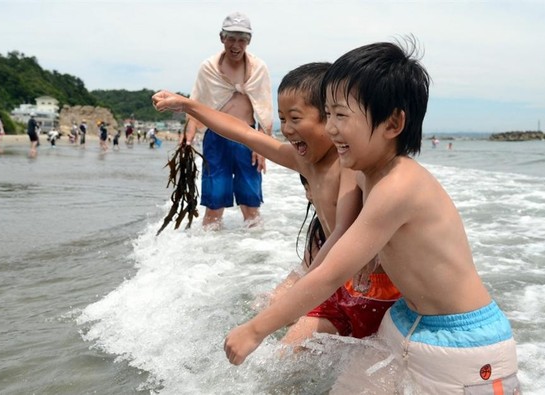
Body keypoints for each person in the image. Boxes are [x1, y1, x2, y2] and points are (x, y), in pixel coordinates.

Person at [219, 41, 520, 393]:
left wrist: (255, 330)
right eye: (327, 114)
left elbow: (330, 273)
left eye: (341, 115)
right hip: (405, 320)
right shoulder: (365, 173)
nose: (330, 128)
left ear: (393, 123)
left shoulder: (399, 185)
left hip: (465, 344)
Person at [152, 62, 399, 346]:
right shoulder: (303, 161)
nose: (287, 129)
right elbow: (243, 132)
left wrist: (301, 290)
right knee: (287, 347)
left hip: (376, 290)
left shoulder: (348, 165)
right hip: (337, 281)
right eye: (282, 119)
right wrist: (188, 105)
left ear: (329, 119)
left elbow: (343, 233)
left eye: (296, 118)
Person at [182, 11, 273, 229]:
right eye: (231, 38)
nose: (236, 45)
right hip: (216, 138)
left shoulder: (258, 68)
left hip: (248, 138)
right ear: (222, 38)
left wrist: (262, 146)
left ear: (248, 41)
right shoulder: (209, 67)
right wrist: (188, 137)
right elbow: (196, 101)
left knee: (251, 205)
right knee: (214, 205)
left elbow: (264, 107)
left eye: (242, 39)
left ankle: (252, 256)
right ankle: (208, 256)